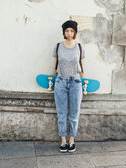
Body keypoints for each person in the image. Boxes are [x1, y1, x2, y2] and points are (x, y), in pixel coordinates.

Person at [52, 20, 85, 153]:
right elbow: (55, 64)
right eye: (67, 31)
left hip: (75, 81)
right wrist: (52, 81)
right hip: (60, 80)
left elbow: (81, 65)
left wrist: (83, 83)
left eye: (72, 31)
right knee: (61, 112)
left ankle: (72, 140)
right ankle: (63, 140)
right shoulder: (58, 46)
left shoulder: (79, 47)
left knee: (74, 112)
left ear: (75, 32)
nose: (69, 33)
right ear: (64, 32)